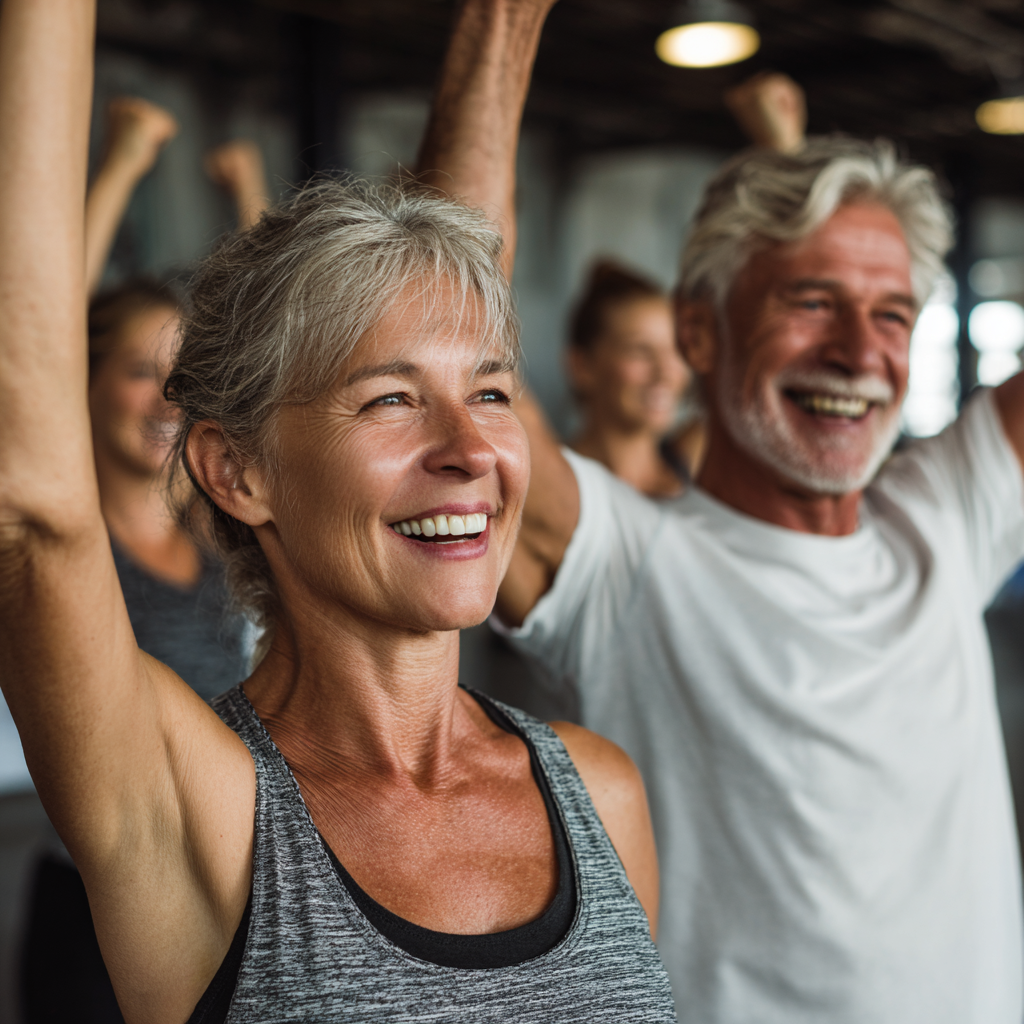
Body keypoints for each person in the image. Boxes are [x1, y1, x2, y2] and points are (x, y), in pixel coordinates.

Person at [0, 4, 675, 1024]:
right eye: (391, 399)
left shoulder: (600, 792)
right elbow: (34, 522)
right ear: (236, 472)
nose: (470, 449)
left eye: (491, 391)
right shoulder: (202, 806)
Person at [424, 6, 1024, 1024]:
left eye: (891, 315)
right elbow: (445, 321)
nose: (859, 352)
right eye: (810, 302)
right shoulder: (629, 564)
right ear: (698, 333)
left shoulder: (944, 520)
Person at [19, 99, 271, 1024]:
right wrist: (123, 162)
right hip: (92, 897)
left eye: (178, 379)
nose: (164, 400)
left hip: (231, 883)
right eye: (135, 371)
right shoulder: (63, 534)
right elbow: (33, 337)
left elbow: (274, 363)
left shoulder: (210, 523)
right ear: (84, 380)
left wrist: (249, 192)